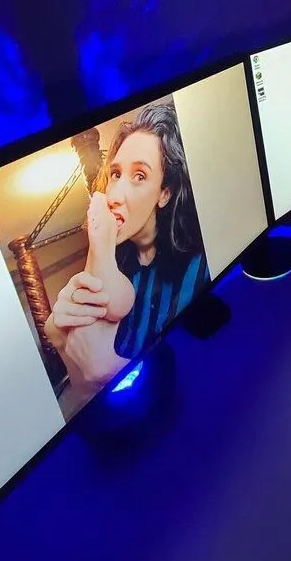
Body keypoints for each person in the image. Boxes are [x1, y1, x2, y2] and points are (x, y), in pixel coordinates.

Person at [44, 102, 209, 394]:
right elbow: (85, 391)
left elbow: (207, 382)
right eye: (116, 174)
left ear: (164, 194)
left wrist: (112, 368)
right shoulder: (107, 271)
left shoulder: (203, 267)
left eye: (139, 176)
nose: (114, 195)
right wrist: (61, 339)